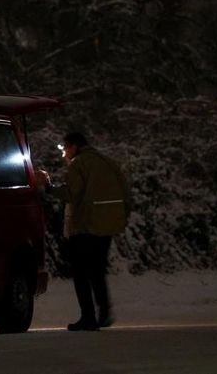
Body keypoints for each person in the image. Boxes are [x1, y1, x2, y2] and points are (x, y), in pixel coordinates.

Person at [36, 132, 130, 332]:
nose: (64, 154)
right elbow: (125, 192)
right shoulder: (107, 162)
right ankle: (104, 312)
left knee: (80, 272)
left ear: (73, 146)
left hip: (85, 225)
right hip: (107, 225)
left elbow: (72, 194)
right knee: (97, 271)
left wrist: (49, 187)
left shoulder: (78, 164)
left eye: (65, 149)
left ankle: (88, 317)